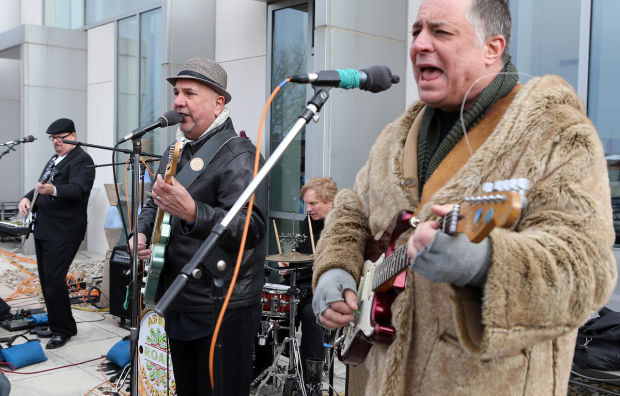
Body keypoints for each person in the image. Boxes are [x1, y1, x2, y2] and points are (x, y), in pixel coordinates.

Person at [311, 0, 618, 395]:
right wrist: (335, 268)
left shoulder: (556, 134)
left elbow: (585, 271)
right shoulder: (396, 137)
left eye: (440, 32)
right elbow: (353, 207)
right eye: (416, 31)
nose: (420, 43)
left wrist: (483, 263)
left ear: (493, 47)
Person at [129, 57, 268, 396]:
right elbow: (154, 203)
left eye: (190, 93)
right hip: (180, 300)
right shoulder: (173, 152)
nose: (178, 102)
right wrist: (141, 231)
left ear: (219, 102)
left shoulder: (240, 155)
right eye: (177, 93)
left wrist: (194, 213)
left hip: (222, 308)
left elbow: (252, 228)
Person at [18, 118, 95, 350]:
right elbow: (42, 185)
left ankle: (63, 330)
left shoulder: (82, 160)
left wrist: (53, 190)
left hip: (64, 231)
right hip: (45, 228)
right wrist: (27, 196)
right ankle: (57, 324)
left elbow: (79, 190)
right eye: (53, 139)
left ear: (73, 135)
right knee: (47, 280)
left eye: (61, 138)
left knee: (54, 281)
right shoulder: (54, 159)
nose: (56, 142)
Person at [274, 177, 337, 388]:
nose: (308, 209)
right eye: (306, 204)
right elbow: (301, 254)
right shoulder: (308, 221)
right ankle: (265, 365)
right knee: (270, 306)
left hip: (326, 290)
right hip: (302, 285)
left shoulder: (342, 225)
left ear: (330, 201)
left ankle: (310, 383)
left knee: (311, 315)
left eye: (313, 204)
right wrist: (288, 263)